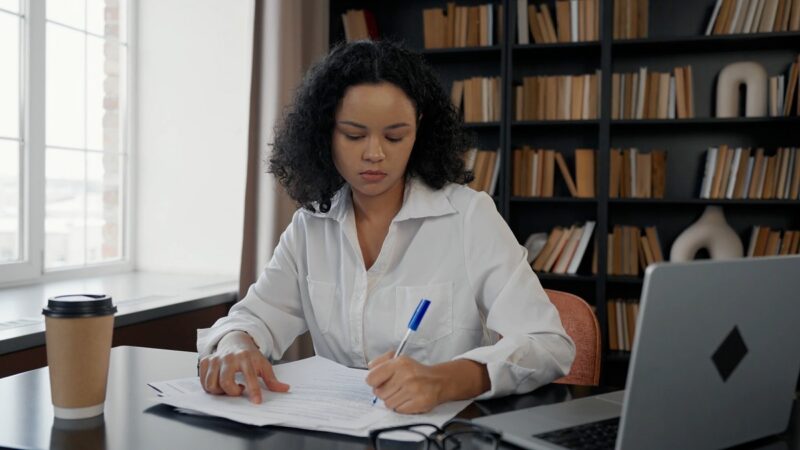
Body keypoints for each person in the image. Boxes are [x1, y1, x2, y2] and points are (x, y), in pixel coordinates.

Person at [197, 39, 575, 414]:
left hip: (440, 434)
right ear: (325, 132)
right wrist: (235, 342)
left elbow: (548, 344)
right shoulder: (311, 225)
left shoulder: (468, 217)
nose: (375, 153)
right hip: (338, 433)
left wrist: (445, 380)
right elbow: (254, 316)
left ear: (419, 130)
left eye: (395, 136)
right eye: (354, 135)